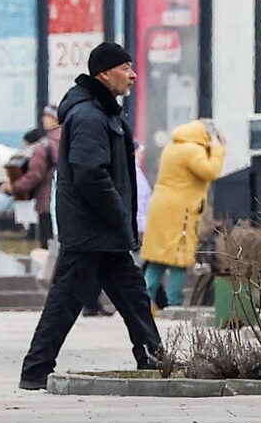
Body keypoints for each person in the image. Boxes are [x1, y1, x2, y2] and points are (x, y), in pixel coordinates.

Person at [19, 43, 165, 390]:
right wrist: (117, 213)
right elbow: (89, 174)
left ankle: (154, 360)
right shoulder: (89, 116)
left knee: (133, 297)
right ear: (104, 73)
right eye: (125, 68)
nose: (132, 75)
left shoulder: (104, 112)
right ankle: (35, 370)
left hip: (103, 232)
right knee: (65, 301)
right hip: (92, 232)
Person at [139, 121, 226, 309]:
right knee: (180, 256)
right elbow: (211, 171)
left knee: (158, 258)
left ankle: (142, 301)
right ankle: (174, 303)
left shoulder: (174, 146)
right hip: (179, 211)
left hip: (162, 207)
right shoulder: (192, 150)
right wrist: (217, 150)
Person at [12, 117, 62, 248]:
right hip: (64, 196)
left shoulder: (44, 145)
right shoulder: (66, 139)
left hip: (46, 195)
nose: (43, 119)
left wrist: (16, 186)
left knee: (47, 239)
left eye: (47, 116)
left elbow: (35, 174)